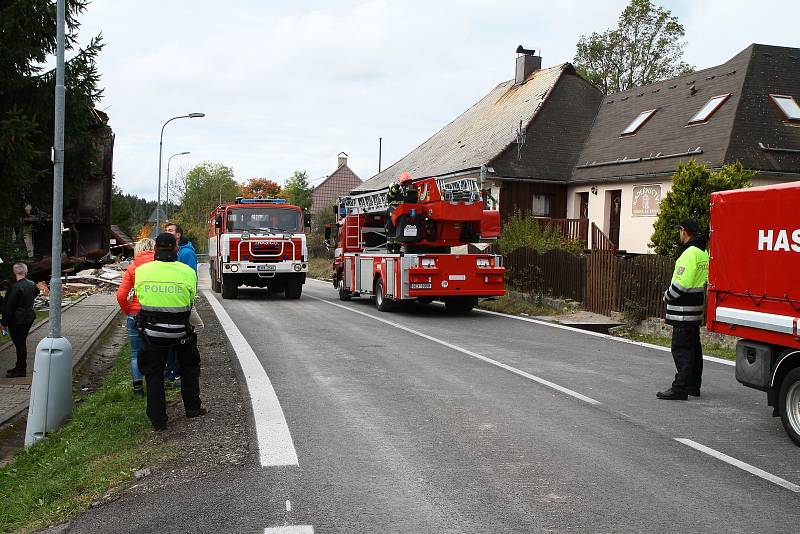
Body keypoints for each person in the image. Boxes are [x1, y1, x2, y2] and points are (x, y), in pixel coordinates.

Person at [133, 233, 205, 431]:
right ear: (176, 249)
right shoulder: (187, 272)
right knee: (189, 367)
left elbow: (139, 297)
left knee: (153, 374)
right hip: (181, 334)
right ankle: (192, 407)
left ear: (155, 250)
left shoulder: (142, 271)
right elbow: (190, 301)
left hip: (152, 333)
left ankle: (158, 419)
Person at [657, 219, 709, 401]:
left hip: (683, 310)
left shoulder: (688, 253)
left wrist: (666, 296)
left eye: (680, 230)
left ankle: (680, 388)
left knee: (681, 350)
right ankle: (694, 385)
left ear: (684, 231)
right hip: (695, 309)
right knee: (694, 349)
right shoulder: (703, 252)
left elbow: (681, 284)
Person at [116, 238, 155, 396]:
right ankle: (155, 384)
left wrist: (129, 311)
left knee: (135, 353)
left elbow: (121, 295)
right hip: (153, 314)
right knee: (154, 351)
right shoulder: (159, 267)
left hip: (135, 313)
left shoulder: (132, 268)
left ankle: (137, 388)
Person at [164, 222, 197, 381]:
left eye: (170, 230)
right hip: (170, 298)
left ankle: (176, 371)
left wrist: (188, 300)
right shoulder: (170, 250)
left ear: (178, 234)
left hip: (181, 300)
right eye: (166, 230)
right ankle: (170, 369)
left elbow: (191, 277)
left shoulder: (187, 253)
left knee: (179, 338)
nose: (167, 232)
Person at [2, 263, 39, 378]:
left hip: (17, 320)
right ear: (26, 272)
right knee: (21, 343)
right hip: (29, 317)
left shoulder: (14, 287)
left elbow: (9, 307)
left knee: (20, 344)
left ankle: (21, 369)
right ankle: (19, 366)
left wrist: (4, 323)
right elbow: (36, 292)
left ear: (14, 272)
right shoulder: (31, 284)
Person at [385, 171, 414, 253]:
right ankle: (390, 250)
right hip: (392, 215)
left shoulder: (401, 194)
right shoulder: (390, 194)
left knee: (399, 233)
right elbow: (393, 192)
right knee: (391, 233)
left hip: (399, 215)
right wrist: (398, 184)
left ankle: (396, 250)